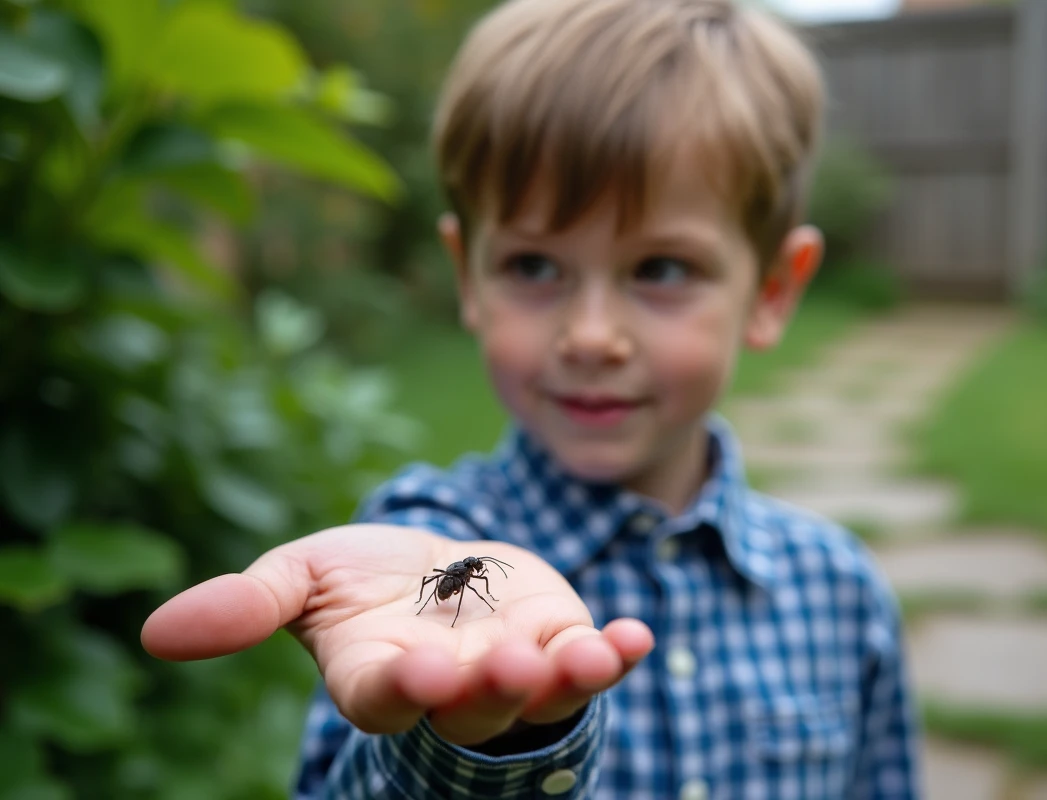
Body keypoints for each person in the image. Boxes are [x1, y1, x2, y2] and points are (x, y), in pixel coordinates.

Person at [141, 0, 922, 797]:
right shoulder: (419, 539)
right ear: (467, 276)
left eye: (660, 269)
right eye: (535, 267)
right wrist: (474, 739)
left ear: (771, 291)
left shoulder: (839, 590)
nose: (590, 336)